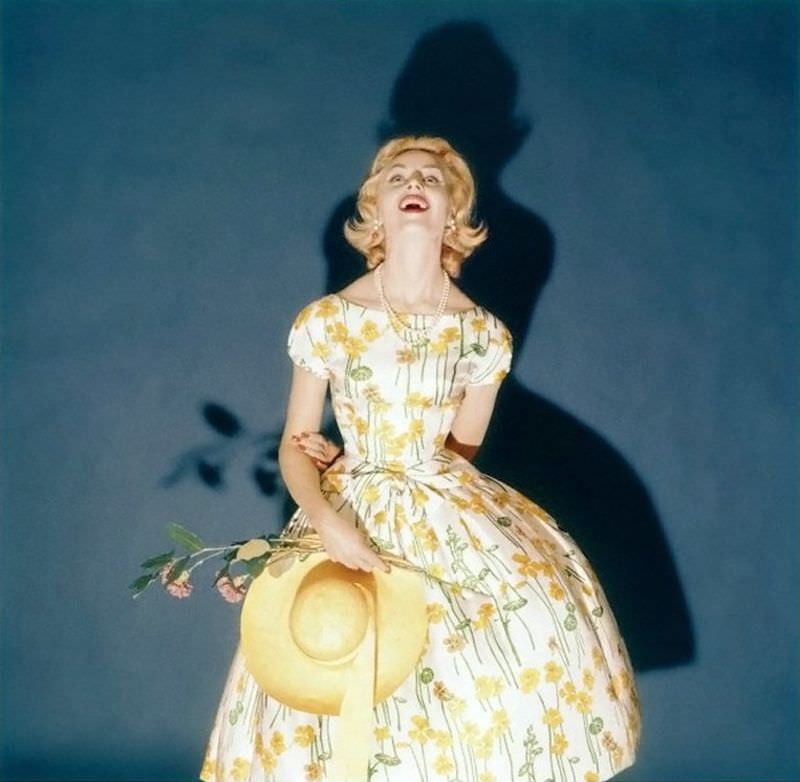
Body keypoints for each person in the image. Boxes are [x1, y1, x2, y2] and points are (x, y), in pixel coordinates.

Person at [200, 136, 640, 782]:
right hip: (350, 510)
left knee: (479, 670)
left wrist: (424, 482)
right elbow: (294, 449)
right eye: (398, 175)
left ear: (452, 215)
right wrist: (328, 512)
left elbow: (461, 447)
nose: (414, 182)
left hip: (443, 504)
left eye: (431, 179)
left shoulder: (481, 334)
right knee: (344, 667)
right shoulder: (330, 321)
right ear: (375, 208)